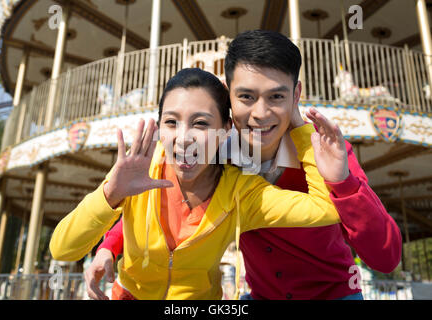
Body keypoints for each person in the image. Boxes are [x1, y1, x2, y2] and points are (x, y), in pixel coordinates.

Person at [87, 30, 402, 300]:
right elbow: (163, 202)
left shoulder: (327, 149)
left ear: (297, 95)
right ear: (228, 94)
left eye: (277, 97)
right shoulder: (218, 149)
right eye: (247, 97)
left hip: (335, 293)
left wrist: (342, 183)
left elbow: (385, 257)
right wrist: (109, 246)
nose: (260, 113)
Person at [50, 68, 348, 300]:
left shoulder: (242, 193)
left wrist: (299, 128)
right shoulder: (137, 173)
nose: (183, 137)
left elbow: (325, 209)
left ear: (225, 129)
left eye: (201, 123)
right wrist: (109, 195)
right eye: (171, 122)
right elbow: (62, 249)